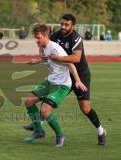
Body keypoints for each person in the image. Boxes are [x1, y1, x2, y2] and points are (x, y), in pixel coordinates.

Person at [23, 14, 106, 146]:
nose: (63, 26)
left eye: (66, 24)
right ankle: (38, 127)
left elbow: (75, 59)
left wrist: (61, 62)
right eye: (61, 24)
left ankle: (101, 130)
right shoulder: (55, 36)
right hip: (61, 75)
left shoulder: (76, 38)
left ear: (73, 26)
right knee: (41, 102)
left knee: (85, 108)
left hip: (79, 74)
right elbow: (48, 53)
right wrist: (39, 60)